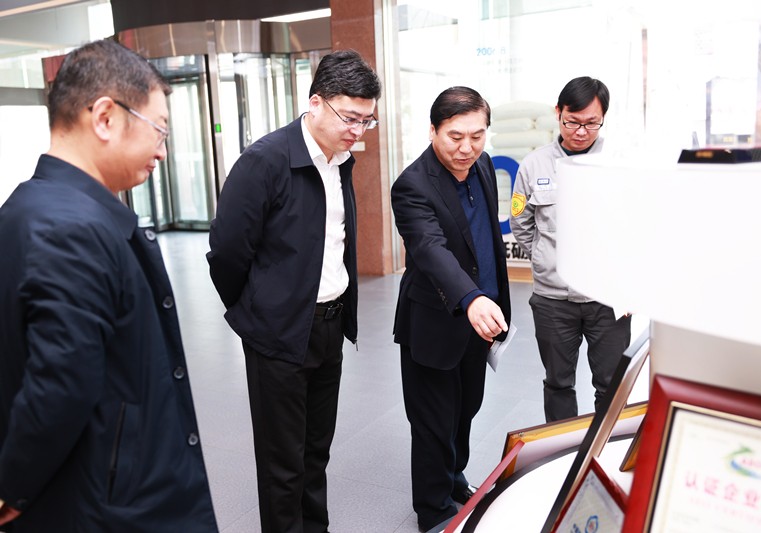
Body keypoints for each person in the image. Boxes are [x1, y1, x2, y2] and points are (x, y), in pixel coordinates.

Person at [0, 39, 218, 531]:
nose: (163, 151)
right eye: (158, 129)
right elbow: (58, 384)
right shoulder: (70, 228)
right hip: (113, 503)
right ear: (104, 117)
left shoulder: (31, 207)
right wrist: (11, 488)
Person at [206, 49, 381, 533]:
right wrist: (260, 310)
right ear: (315, 103)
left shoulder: (340, 160)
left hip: (329, 325)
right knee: (282, 463)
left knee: (316, 452)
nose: (358, 130)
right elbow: (227, 252)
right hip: (278, 335)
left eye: (366, 121)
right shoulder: (264, 161)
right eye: (350, 117)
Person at [391, 86, 511, 532]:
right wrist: (471, 297)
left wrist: (490, 298)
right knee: (433, 421)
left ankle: (454, 479)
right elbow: (430, 248)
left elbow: (486, 238)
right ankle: (433, 510)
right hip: (436, 320)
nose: (467, 148)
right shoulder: (412, 185)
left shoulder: (483, 166)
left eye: (477, 136)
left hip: (479, 322)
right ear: (433, 131)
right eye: (455, 137)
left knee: (466, 409)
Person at [510, 76, 632, 423]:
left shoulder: (619, 163)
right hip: (553, 300)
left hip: (607, 298)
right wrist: (546, 258)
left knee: (611, 385)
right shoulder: (534, 164)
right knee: (558, 384)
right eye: (572, 121)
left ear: (603, 118)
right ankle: (563, 449)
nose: (581, 131)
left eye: (591, 123)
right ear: (558, 113)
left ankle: (607, 448)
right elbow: (521, 222)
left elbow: (637, 226)